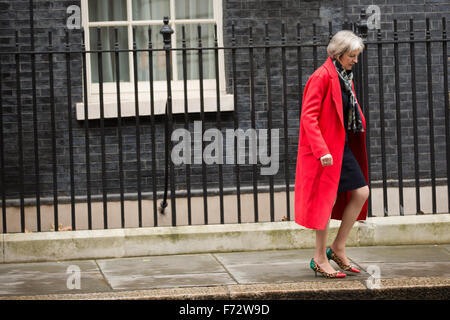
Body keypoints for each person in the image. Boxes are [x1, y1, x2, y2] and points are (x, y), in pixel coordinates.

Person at [294, 30, 370, 278]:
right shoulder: (322, 77)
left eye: (357, 56)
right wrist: (321, 150)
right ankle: (318, 258)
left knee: (361, 192)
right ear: (338, 54)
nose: (355, 60)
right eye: (352, 55)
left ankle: (337, 247)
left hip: (341, 146)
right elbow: (308, 117)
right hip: (325, 150)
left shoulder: (344, 76)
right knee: (326, 202)